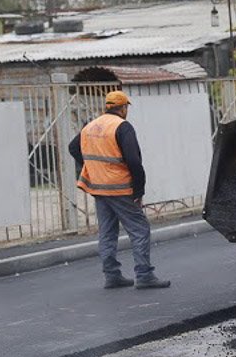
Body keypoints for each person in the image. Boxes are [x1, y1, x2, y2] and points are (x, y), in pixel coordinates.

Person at [68, 91, 170, 290]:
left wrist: (92, 168)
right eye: (126, 107)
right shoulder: (122, 127)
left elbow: (73, 148)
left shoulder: (90, 126)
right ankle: (144, 275)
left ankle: (112, 275)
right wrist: (139, 190)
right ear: (123, 108)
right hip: (120, 188)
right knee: (139, 229)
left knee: (107, 232)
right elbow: (134, 161)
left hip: (99, 188)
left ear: (107, 106)